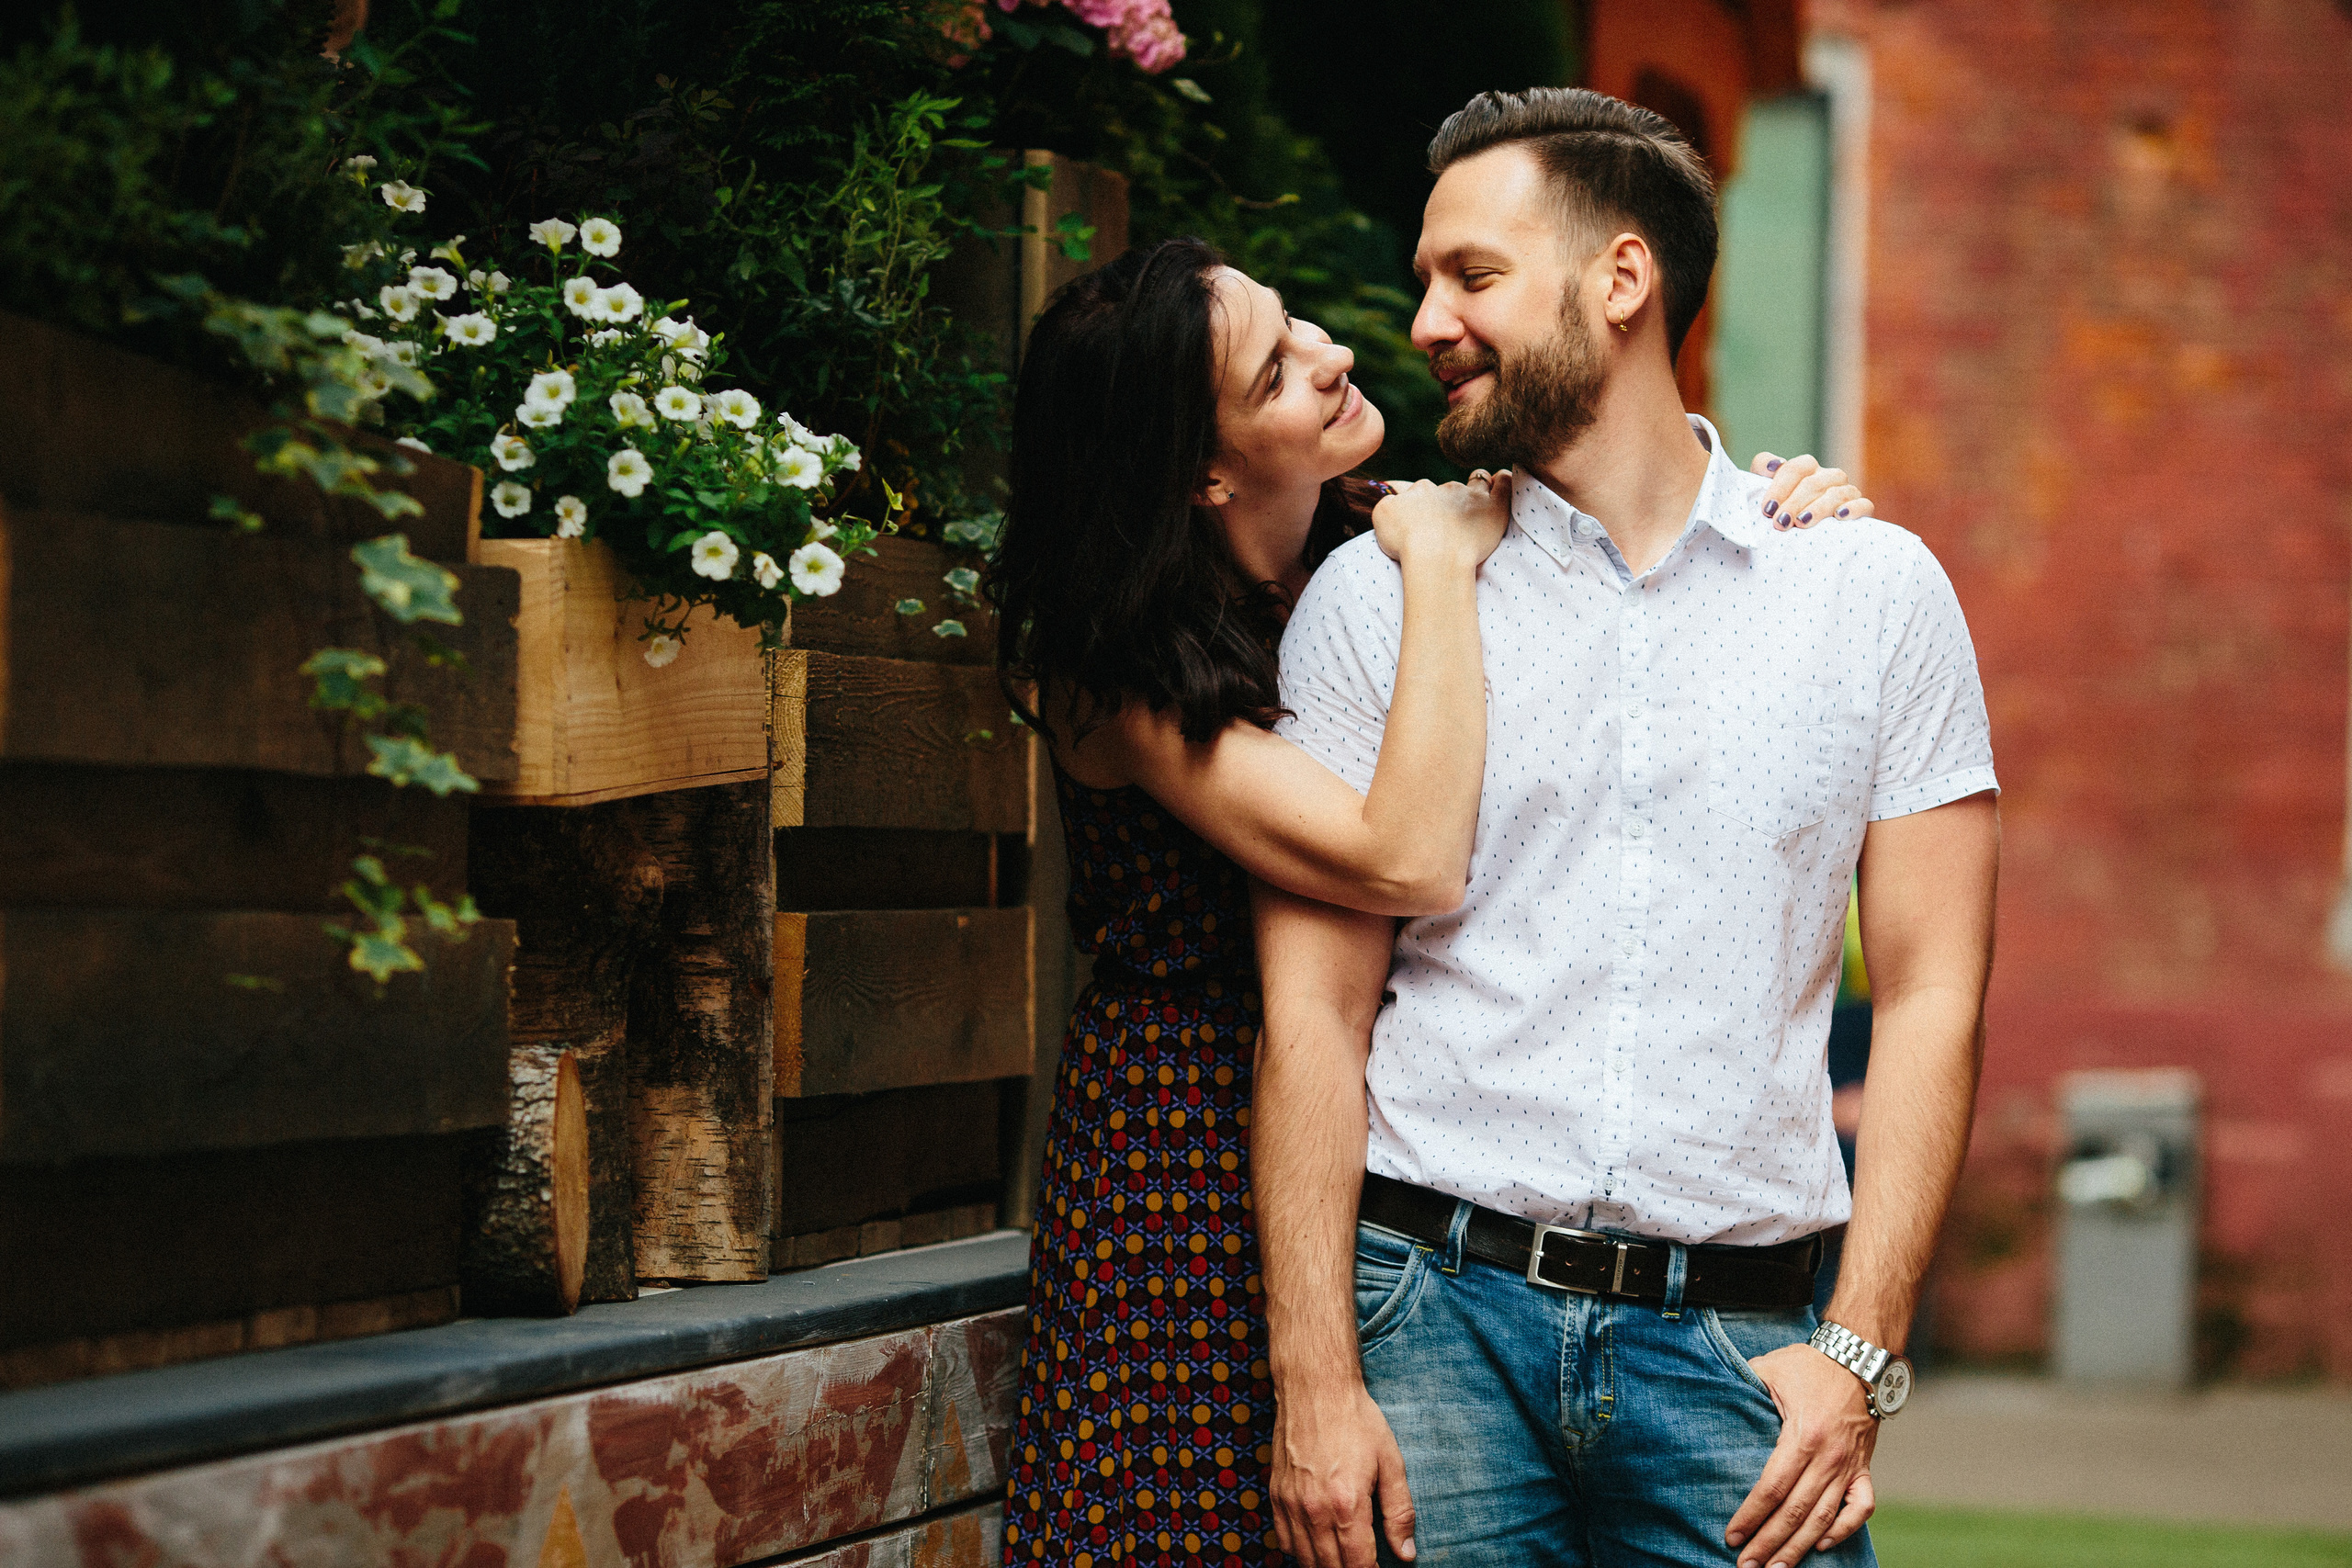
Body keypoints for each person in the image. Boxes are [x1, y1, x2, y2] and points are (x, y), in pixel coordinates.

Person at [987, 235, 1874, 1568]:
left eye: (1298, 326)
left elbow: (1646, 530)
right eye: (1276, 369)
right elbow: (1402, 859)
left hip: (1380, 1131)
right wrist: (1444, 574)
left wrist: (1792, 508)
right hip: (1184, 1155)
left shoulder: (1374, 531)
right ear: (1204, 468)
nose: (1335, 353)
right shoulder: (1119, 673)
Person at [1251, 87, 2000, 1568]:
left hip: (1740, 1356)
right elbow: (1312, 1018)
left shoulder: (1871, 593)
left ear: (1621, 279)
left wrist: (1861, 1354)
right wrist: (1317, 1381)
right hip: (1429, 1318)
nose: (1424, 323)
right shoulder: (1380, 594)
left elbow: (1931, 992)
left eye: (1471, 276)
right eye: (1424, 282)